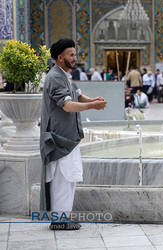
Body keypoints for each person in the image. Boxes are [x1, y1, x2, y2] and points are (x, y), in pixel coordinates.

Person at [39, 38, 107, 230]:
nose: (75, 58)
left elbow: (77, 95)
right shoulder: (54, 77)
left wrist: (93, 100)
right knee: (62, 179)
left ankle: (64, 218)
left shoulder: (65, 75)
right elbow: (68, 105)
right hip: (59, 138)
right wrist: (92, 106)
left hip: (69, 137)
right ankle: (60, 221)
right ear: (60, 57)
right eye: (71, 55)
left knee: (69, 178)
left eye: (75, 54)